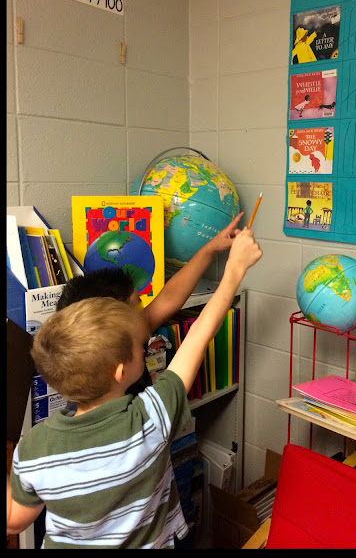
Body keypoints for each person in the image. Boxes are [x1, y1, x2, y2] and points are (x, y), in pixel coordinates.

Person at [7, 226, 263, 549]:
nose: (146, 338)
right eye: (139, 343)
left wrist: (211, 249)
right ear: (119, 368)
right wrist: (234, 271)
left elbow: (15, 518)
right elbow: (198, 337)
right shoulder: (150, 421)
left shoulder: (34, 450)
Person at [56, 212, 248, 395]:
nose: (146, 312)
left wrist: (211, 249)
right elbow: (199, 333)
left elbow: (169, 298)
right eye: (138, 305)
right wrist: (235, 268)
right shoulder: (145, 413)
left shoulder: (91, 366)